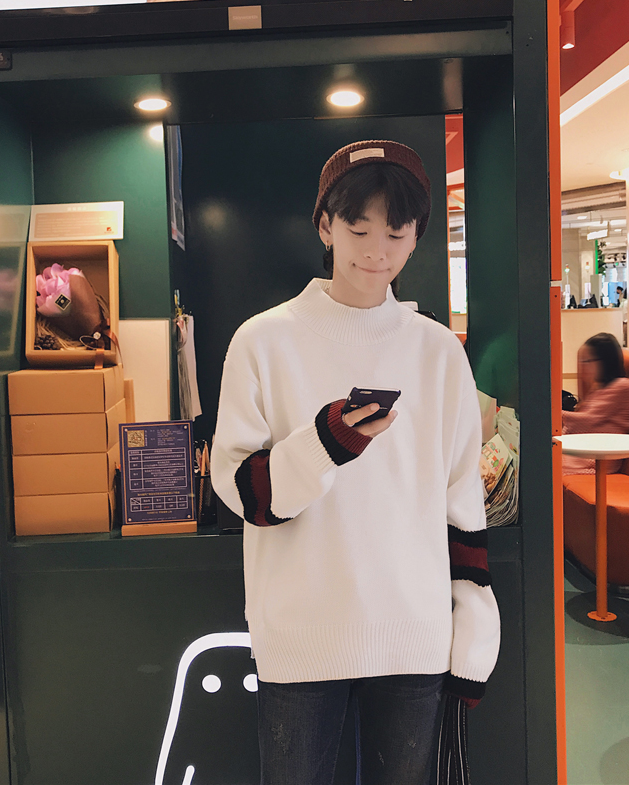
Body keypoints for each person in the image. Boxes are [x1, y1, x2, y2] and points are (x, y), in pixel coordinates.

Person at [211, 140, 501, 784]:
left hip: (414, 631)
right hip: (300, 632)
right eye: (358, 228)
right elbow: (240, 492)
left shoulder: (438, 351)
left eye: (396, 233)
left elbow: (461, 499)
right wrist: (326, 443)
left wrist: (474, 632)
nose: (377, 251)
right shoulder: (262, 341)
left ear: (417, 236)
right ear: (325, 226)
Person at [562, 332, 629, 475]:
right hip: (586, 453)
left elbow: (589, 421)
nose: (581, 366)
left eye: (586, 361)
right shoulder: (599, 387)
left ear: (605, 361)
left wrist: (553, 413)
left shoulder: (622, 386)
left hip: (598, 462)